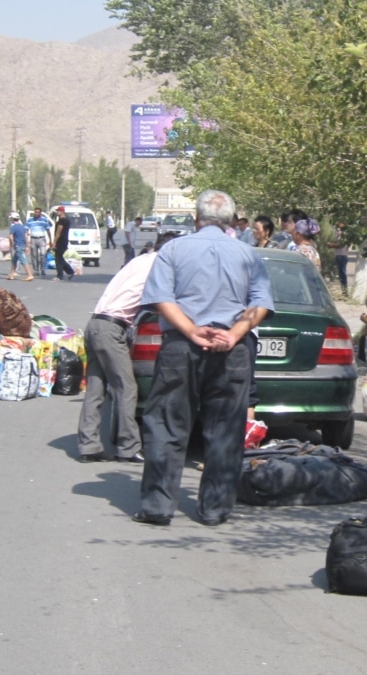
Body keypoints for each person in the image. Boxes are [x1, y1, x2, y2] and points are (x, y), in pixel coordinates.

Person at [135, 189, 274, 527]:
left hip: (181, 348)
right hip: (232, 351)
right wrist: (235, 334)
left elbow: (160, 298)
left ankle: (157, 506)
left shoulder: (173, 249)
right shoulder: (248, 254)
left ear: (195, 220)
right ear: (231, 222)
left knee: (167, 424)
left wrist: (192, 330)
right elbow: (261, 304)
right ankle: (214, 509)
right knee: (226, 429)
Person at [78, 233, 178, 464]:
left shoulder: (139, 260)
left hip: (94, 323)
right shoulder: (159, 266)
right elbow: (160, 300)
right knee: (126, 387)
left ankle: (88, 445)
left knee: (96, 387)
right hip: (112, 329)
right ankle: (128, 447)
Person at [26, 207, 52, 278]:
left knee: (43, 255)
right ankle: (36, 270)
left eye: (38, 212)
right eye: (35, 212)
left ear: (40, 213)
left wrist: (50, 240)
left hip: (41, 238)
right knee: (34, 255)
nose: (36, 213)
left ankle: (43, 270)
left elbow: (48, 230)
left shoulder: (44, 220)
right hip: (33, 239)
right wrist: (26, 240)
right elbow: (26, 230)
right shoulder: (30, 220)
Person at [52, 206, 75, 281]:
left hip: (60, 241)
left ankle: (60, 275)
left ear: (62, 211)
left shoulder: (62, 221)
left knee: (58, 259)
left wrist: (54, 242)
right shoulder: (66, 220)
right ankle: (70, 271)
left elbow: (58, 232)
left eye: (58, 211)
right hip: (64, 241)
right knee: (59, 258)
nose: (57, 212)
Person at [7, 212, 31, 280]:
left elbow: (10, 237)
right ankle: (11, 275)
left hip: (18, 245)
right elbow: (26, 236)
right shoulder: (22, 227)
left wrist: (12, 244)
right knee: (14, 261)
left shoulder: (13, 227)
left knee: (23, 260)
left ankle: (29, 274)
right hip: (23, 245)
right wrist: (27, 246)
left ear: (12, 219)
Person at [329, 223, 349, 292]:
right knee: (340, 274)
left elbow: (340, 245)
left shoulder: (343, 236)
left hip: (341, 256)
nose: (337, 231)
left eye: (338, 229)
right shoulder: (343, 235)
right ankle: (343, 289)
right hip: (341, 255)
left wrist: (331, 245)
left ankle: (344, 290)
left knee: (342, 274)